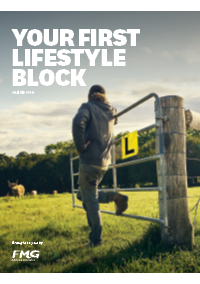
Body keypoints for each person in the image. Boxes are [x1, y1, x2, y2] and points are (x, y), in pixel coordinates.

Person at [72, 84, 128, 247]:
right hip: (104, 162)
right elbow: (115, 120)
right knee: (83, 195)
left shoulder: (87, 106)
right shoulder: (111, 109)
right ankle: (114, 197)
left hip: (89, 161)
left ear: (89, 96)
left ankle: (96, 241)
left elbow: (77, 123)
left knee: (90, 202)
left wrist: (80, 147)